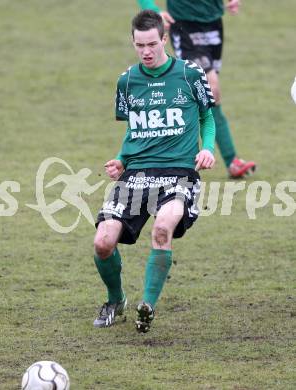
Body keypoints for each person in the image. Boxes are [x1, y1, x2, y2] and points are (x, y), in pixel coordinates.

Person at [93, 10, 215, 333]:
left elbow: (208, 117)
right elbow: (136, 130)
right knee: (103, 241)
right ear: (133, 43)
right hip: (136, 174)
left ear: (164, 39)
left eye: (151, 44)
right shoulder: (127, 81)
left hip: (178, 174)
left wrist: (207, 148)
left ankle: (146, 305)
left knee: (162, 227)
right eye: (139, 45)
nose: (146, 51)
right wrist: (121, 159)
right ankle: (115, 298)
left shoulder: (190, 75)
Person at [137, 0, 256, 178]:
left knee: (206, 94)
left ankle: (231, 161)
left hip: (214, 22)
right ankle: (227, 159)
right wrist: (153, 10)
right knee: (211, 88)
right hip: (185, 25)